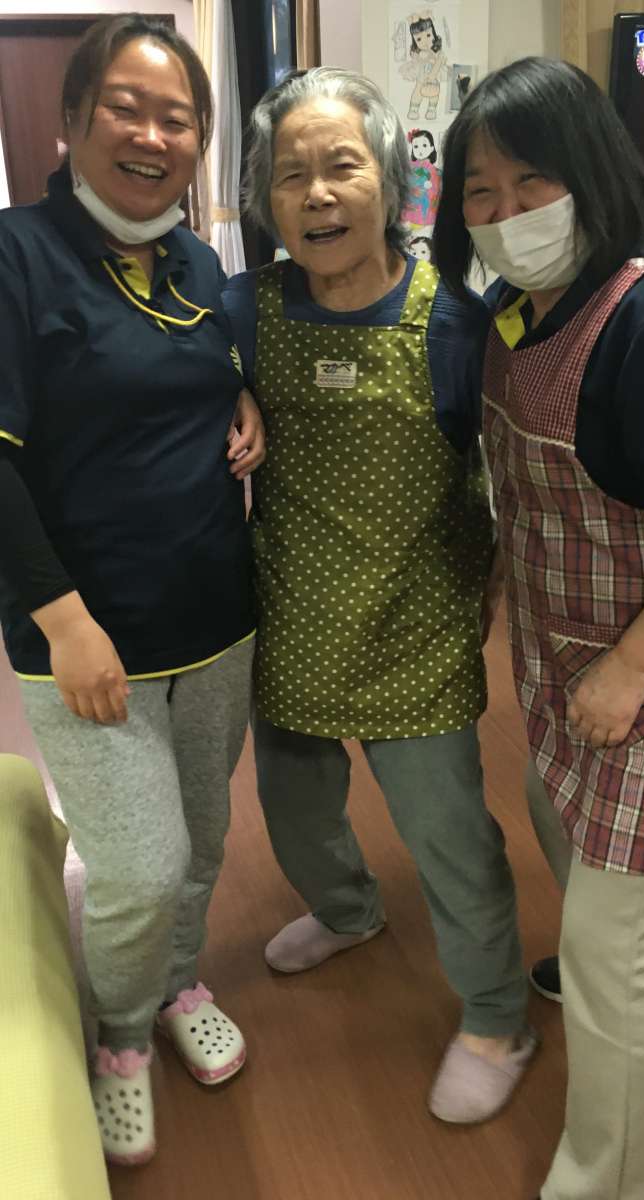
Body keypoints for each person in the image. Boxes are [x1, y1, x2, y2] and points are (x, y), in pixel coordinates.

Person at [222, 66, 536, 1126]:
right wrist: (226, 391)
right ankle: (349, 910)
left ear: (392, 181)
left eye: (341, 166)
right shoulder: (246, 311)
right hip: (293, 616)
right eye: (290, 175)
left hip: (418, 626)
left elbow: (510, 461)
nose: (316, 194)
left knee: (449, 837)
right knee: (295, 812)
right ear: (266, 201)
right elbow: (175, 383)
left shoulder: (456, 324)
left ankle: (496, 1016)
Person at [0, 14, 265, 1166]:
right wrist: (65, 622)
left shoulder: (196, 262)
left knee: (199, 843)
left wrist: (242, 403)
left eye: (179, 117)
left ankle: (174, 983)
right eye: (126, 107)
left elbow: (212, 370)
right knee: (138, 866)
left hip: (214, 618)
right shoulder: (16, 256)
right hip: (84, 635)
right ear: (71, 120)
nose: (154, 135)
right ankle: (118, 1033)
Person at [434, 55, 644, 1200]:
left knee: (617, 974)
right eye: (480, 190)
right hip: (562, 671)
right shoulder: (511, 318)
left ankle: (615, 1178)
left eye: (533, 179)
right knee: (565, 842)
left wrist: (632, 665)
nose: (507, 212)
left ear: (593, 172)